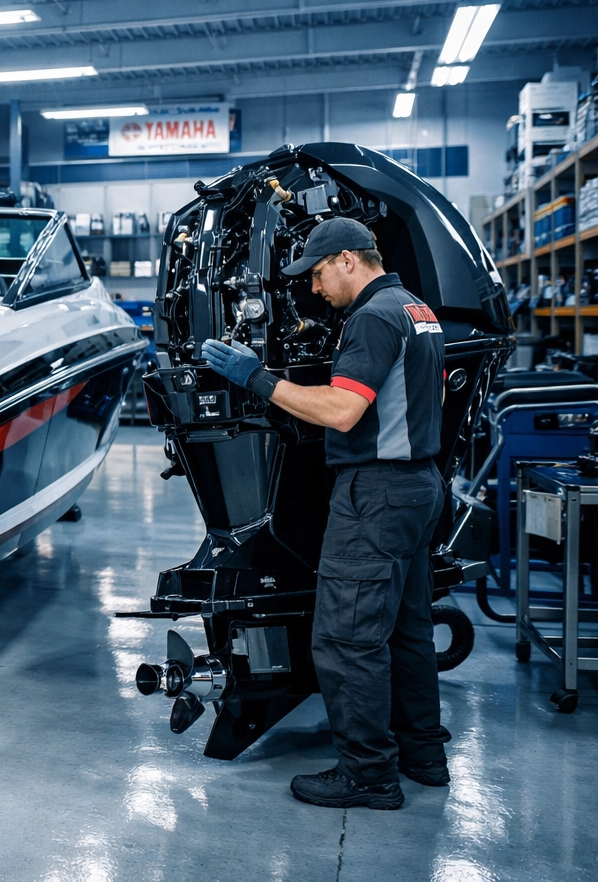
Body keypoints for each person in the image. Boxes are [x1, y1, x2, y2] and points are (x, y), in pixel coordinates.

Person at [201, 216, 449, 811]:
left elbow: (342, 411)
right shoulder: (416, 309)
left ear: (347, 260)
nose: (314, 290)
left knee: (346, 639)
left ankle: (368, 775)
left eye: (316, 274)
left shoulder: (370, 317)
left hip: (378, 496)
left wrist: (256, 378)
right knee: (407, 632)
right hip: (420, 487)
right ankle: (423, 756)